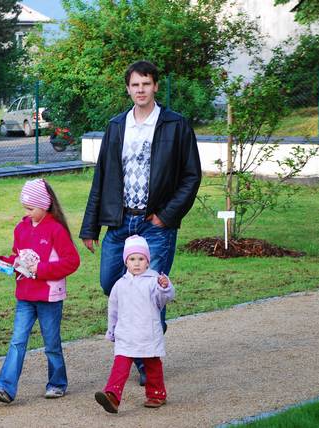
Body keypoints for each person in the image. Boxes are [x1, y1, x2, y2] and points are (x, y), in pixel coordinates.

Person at [79, 60, 201, 384]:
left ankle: (147, 363)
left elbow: (191, 176)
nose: (141, 90)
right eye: (135, 85)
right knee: (111, 284)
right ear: (128, 88)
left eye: (146, 84)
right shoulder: (117, 125)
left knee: (149, 291)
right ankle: (147, 334)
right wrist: (90, 226)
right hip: (119, 223)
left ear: (155, 86)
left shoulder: (175, 125)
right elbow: (102, 176)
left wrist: (166, 216)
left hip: (155, 225)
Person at [0, 178, 80, 404]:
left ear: (45, 205)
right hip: (25, 296)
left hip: (49, 297)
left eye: (30, 208)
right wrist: (5, 262)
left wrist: (42, 270)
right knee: (17, 341)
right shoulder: (21, 228)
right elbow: (19, 257)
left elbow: (72, 261)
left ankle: (57, 383)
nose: (26, 213)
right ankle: (5, 387)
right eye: (25, 208)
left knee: (52, 343)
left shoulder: (56, 229)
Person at [95, 235, 175, 413]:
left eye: (141, 259)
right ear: (126, 262)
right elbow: (113, 310)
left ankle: (156, 394)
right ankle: (112, 396)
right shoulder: (119, 285)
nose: (137, 263)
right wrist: (112, 330)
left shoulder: (154, 280)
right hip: (126, 333)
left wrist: (164, 287)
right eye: (132, 259)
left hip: (148, 332)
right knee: (120, 365)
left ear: (148, 261)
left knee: (152, 364)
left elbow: (163, 299)